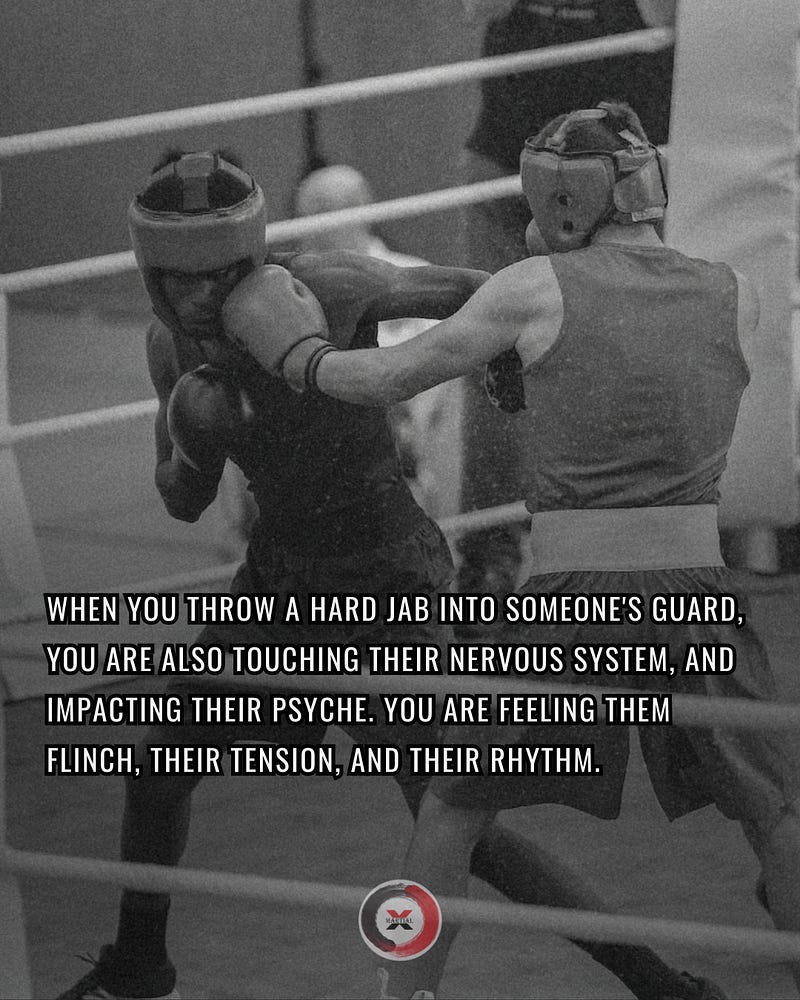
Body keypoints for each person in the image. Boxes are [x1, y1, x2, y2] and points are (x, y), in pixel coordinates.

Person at [56, 149, 718, 1000]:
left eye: (226, 272)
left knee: (459, 819)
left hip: (387, 578)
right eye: (186, 280)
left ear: (254, 253)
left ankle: (659, 982)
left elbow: (474, 289)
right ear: (154, 276)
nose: (208, 295)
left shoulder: (331, 287)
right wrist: (197, 437)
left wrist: (502, 365)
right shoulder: (169, 349)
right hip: (281, 584)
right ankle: (140, 967)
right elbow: (182, 501)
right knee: (158, 767)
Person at [225, 101, 800, 999]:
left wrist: (298, 356)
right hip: (696, 591)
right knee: (774, 810)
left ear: (560, 198)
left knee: (453, 809)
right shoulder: (738, 291)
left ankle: (407, 994)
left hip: (579, 598)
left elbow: (384, 376)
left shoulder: (535, 288)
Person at [455, 0, 676, 602]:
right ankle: (489, 554)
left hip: (626, 182)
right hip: (507, 168)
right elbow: (479, 9)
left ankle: (622, 550)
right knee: (495, 363)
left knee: (629, 360)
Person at [293, 164, 461, 521]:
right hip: (319, 464)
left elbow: (443, 381)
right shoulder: (287, 292)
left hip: (405, 457)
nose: (313, 227)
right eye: (310, 213)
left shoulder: (414, 277)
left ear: (364, 208)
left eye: (328, 210)